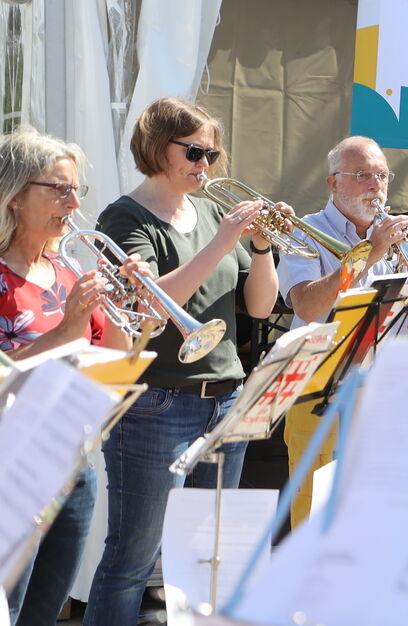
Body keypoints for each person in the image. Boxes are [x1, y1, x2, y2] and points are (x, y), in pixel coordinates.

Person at [86, 98, 288, 625]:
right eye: (194, 152)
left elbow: (260, 307)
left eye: (212, 154)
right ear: (158, 147)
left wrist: (260, 247)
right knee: (134, 559)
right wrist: (223, 241)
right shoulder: (125, 217)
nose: (205, 164)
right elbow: (152, 303)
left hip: (225, 400)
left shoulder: (213, 213)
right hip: (158, 402)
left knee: (205, 560)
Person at [0, 127, 145, 626]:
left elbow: (112, 360)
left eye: (76, 189)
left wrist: (131, 305)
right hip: (12, 465)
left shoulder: (65, 271)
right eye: (59, 189)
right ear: (14, 195)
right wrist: (66, 330)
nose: (74, 202)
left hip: (71, 461)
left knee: (45, 609)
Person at [276, 135, 408, 528]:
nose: (375, 186)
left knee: (378, 522)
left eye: (382, 176)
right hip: (322, 392)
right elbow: (307, 306)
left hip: (389, 394)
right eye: (362, 175)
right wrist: (372, 253)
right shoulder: (305, 231)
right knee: (314, 521)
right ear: (333, 183)